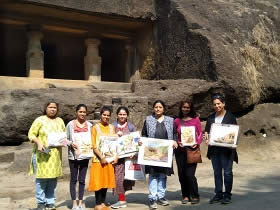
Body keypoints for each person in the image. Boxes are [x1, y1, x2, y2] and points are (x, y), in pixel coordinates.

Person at [28, 101, 65, 210]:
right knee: (41, 179)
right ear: (46, 108)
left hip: (55, 155)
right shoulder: (40, 120)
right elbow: (31, 134)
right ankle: (41, 202)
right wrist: (39, 142)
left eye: (54, 107)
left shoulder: (60, 121)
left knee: (53, 179)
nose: (52, 109)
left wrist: (65, 142)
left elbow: (63, 136)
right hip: (42, 155)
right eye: (50, 107)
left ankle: (50, 202)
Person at [141, 100, 178, 210]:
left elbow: (175, 133)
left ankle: (161, 196)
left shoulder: (170, 120)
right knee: (153, 174)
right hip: (152, 152)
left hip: (165, 152)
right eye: (156, 107)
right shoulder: (148, 120)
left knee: (163, 175)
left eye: (160, 107)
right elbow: (144, 134)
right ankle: (152, 198)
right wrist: (142, 141)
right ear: (153, 108)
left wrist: (175, 141)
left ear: (164, 109)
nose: (158, 109)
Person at [204, 94, 238, 205]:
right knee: (217, 172)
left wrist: (233, 143)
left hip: (227, 150)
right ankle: (218, 194)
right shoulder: (210, 117)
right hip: (214, 150)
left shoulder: (230, 117)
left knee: (227, 173)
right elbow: (207, 132)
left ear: (223, 103)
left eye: (219, 103)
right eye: (215, 104)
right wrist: (206, 137)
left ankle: (227, 194)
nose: (217, 106)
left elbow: (234, 133)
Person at [174, 100, 203, 205]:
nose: (185, 109)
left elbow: (200, 133)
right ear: (181, 108)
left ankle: (194, 195)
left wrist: (197, 143)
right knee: (181, 174)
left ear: (191, 108)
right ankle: (185, 195)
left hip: (192, 150)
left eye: (188, 107)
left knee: (190, 174)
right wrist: (178, 142)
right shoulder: (177, 121)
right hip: (180, 151)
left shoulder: (196, 120)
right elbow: (175, 135)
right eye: (184, 107)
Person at [88, 106, 117, 210]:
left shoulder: (111, 127)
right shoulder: (95, 127)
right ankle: (97, 203)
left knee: (106, 181)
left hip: (109, 158)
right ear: (100, 115)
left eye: (108, 115)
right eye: (104, 115)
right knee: (98, 181)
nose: (106, 117)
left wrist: (115, 157)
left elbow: (115, 143)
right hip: (98, 159)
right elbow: (93, 145)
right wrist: (101, 157)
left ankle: (103, 202)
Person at [66, 104, 92, 210]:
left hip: (85, 156)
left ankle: (81, 202)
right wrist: (71, 143)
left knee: (82, 179)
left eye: (84, 112)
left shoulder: (90, 125)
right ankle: (74, 203)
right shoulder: (70, 125)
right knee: (73, 179)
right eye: (80, 112)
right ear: (76, 112)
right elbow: (65, 139)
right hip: (73, 157)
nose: (82, 114)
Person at [111, 106, 136, 209]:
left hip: (128, 157)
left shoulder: (131, 127)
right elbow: (108, 140)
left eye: (124, 114)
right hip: (117, 157)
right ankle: (122, 200)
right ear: (117, 115)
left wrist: (133, 152)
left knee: (126, 179)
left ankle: (122, 199)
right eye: (120, 114)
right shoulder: (112, 126)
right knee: (118, 178)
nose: (122, 116)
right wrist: (115, 135)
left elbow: (134, 140)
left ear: (127, 115)